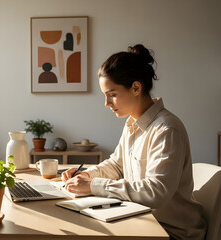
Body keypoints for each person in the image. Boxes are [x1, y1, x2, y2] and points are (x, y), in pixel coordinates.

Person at [61, 44, 206, 240]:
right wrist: (85, 176)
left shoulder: (166, 129)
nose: (107, 103)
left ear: (136, 88)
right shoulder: (133, 124)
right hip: (140, 221)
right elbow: (116, 164)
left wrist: (94, 185)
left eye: (112, 94)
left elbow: (156, 191)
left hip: (170, 232)